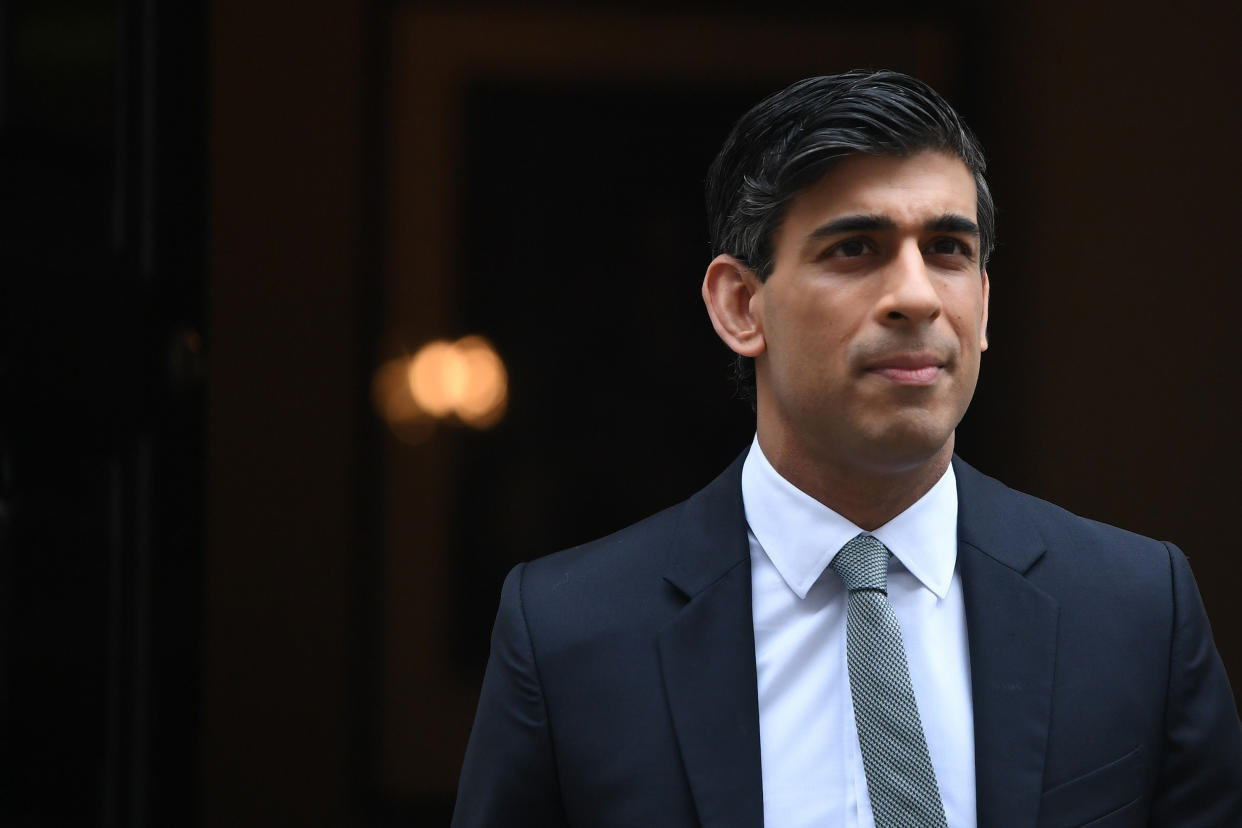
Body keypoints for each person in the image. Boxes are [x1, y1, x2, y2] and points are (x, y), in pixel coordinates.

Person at [450, 70, 1242, 827]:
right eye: (855, 248)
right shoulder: (570, 635)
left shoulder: (1137, 611)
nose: (916, 296)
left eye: (948, 250)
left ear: (985, 303)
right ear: (740, 306)